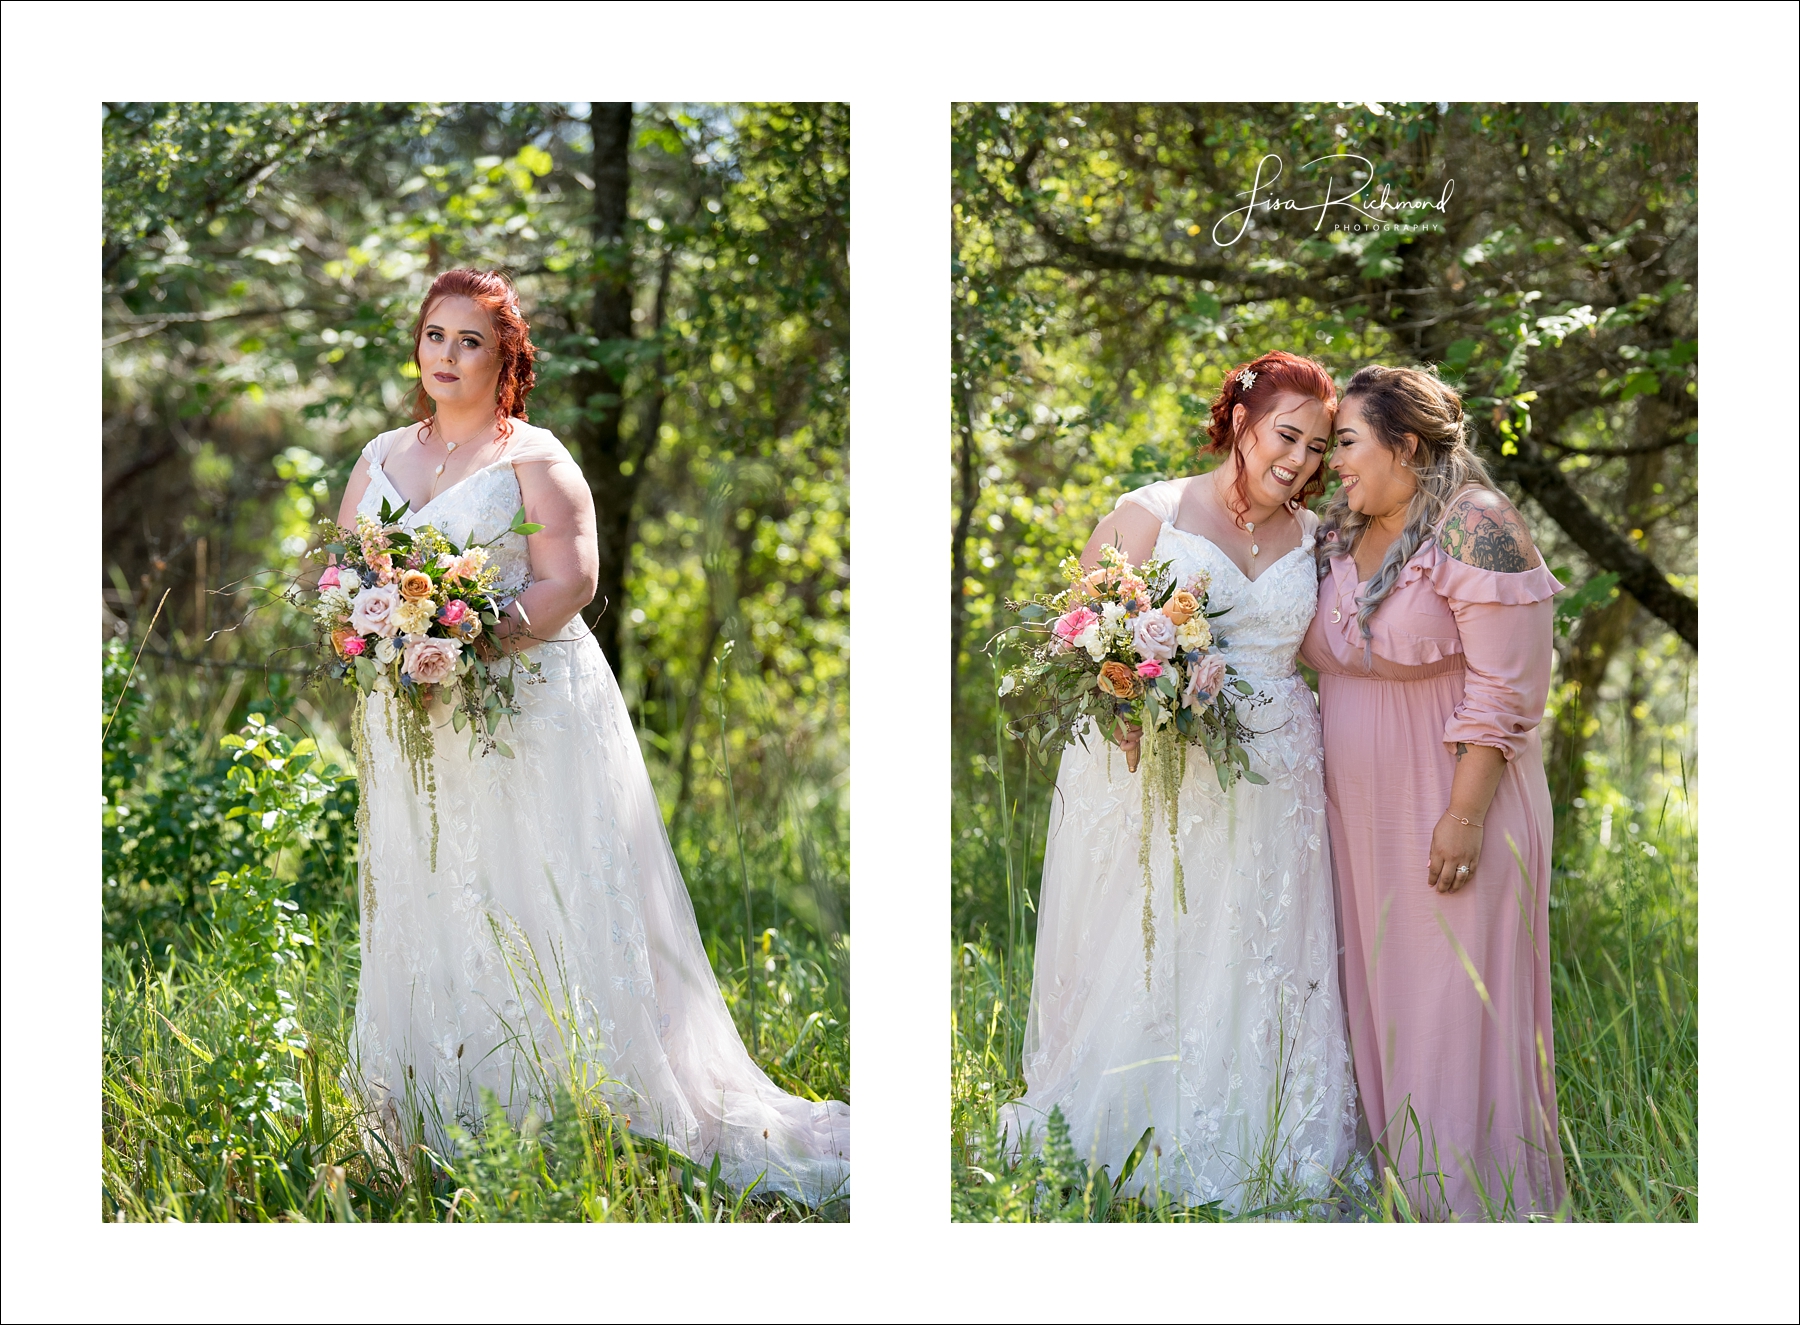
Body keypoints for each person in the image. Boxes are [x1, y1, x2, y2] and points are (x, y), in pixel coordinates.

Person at [331, 269, 848, 1204]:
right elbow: (341, 576)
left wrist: (464, 638)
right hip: (411, 719)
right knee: (436, 886)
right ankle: (434, 1108)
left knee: (534, 885)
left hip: (521, 710)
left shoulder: (534, 457)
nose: (446, 356)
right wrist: (374, 634)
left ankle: (573, 1105)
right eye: (434, 336)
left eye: (469, 342)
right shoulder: (377, 457)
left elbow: (570, 582)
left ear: (505, 358)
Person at [1003, 351, 1361, 1212]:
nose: (1301, 462)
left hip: (1282, 768)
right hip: (1163, 767)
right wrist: (1132, 698)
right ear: (1240, 422)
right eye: (1287, 435)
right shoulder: (1150, 514)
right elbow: (1074, 636)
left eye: (1318, 447)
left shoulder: (1319, 538)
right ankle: (1140, 1118)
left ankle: (1273, 1126)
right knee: (1168, 933)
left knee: (1267, 944)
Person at [1301, 364, 1565, 1220]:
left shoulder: (1479, 527)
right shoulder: (1341, 533)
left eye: (1346, 442)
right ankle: (1399, 1199)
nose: (1330, 461)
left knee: (1453, 1012)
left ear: (1406, 444)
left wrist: (1463, 815)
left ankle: (1477, 1213)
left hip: (1455, 807)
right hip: (1357, 819)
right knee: (1379, 1008)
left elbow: (1508, 693)